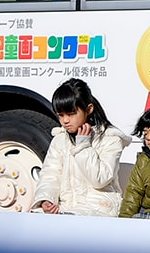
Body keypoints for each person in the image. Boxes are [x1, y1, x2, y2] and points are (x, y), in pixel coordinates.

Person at [31, 78, 129, 216]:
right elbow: (50, 175)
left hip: (99, 207)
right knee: (35, 217)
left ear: (89, 109)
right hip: (67, 208)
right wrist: (46, 199)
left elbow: (100, 179)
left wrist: (83, 145)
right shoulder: (60, 140)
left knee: (71, 219)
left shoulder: (110, 138)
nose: (65, 120)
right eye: (60, 115)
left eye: (71, 114)